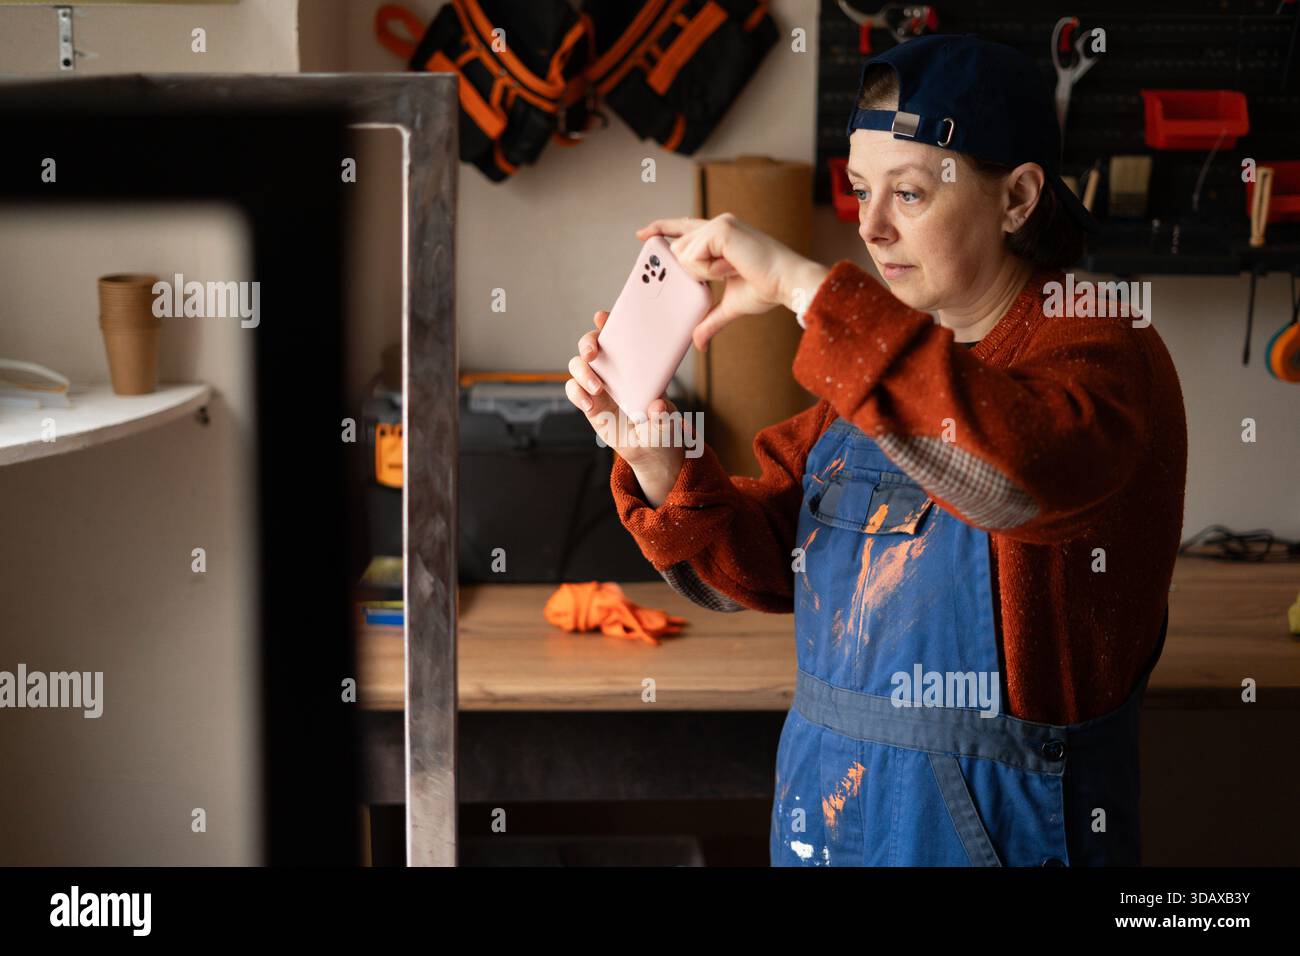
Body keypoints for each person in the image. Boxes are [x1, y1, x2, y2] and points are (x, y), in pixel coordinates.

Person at [564, 34, 1187, 866]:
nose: (871, 225)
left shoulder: (1101, 343)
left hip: (999, 840)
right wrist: (659, 462)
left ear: (1018, 197)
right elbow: (762, 565)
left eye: (912, 194)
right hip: (830, 821)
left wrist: (800, 287)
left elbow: (1015, 481)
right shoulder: (880, 364)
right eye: (860, 189)